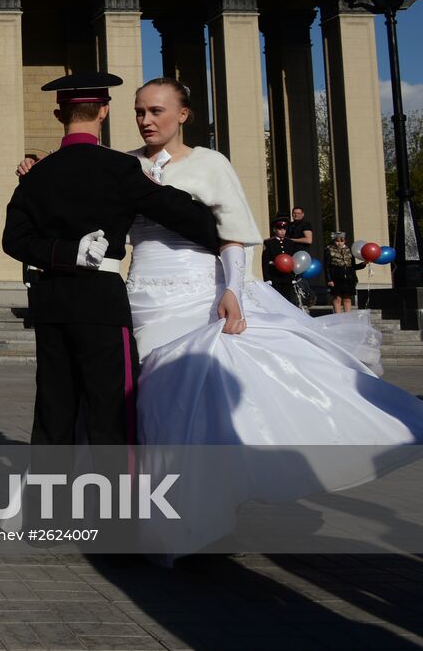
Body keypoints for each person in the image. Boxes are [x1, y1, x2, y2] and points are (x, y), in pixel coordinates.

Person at [117, 77, 423, 558]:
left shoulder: (210, 164)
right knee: (153, 404)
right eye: (139, 111)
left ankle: (199, 515)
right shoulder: (128, 165)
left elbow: (233, 235)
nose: (146, 119)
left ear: (183, 114)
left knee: (192, 403)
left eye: (156, 110)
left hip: (198, 293)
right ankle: (167, 512)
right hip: (144, 297)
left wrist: (232, 294)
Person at [3, 73, 221, 448]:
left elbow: (15, 240)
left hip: (52, 298)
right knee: (110, 410)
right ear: (103, 112)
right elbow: (178, 212)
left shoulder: (37, 176)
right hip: (101, 300)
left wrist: (66, 253)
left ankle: (50, 499)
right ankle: (111, 501)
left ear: (60, 115)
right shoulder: (119, 169)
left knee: (54, 410)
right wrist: (219, 229)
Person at [326, 230, 367, 313]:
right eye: (337, 241)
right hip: (336, 278)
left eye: (341, 241)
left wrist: (363, 264)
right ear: (334, 241)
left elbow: (353, 266)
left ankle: (347, 318)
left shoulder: (349, 250)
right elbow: (326, 266)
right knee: (337, 298)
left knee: (347, 298)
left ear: (344, 241)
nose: (339, 243)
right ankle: (338, 317)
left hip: (348, 278)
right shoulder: (329, 250)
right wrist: (329, 279)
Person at [261, 216, 298, 304]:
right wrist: (267, 278)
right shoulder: (269, 243)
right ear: (275, 230)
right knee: (276, 300)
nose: (282, 231)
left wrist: (294, 276)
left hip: (287, 276)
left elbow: (293, 260)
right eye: (280, 229)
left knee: (288, 300)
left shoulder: (290, 243)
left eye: (284, 229)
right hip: (275, 275)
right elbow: (265, 261)